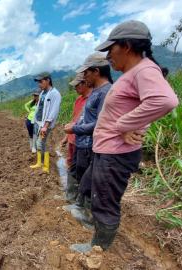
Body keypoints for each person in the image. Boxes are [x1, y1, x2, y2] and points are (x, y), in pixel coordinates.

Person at [71, 21, 178, 253]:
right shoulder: (133, 73)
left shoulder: (144, 69)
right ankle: (92, 227)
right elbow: (140, 104)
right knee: (91, 186)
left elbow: (165, 100)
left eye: (111, 49)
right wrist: (133, 122)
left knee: (106, 202)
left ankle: (98, 249)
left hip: (115, 153)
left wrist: (125, 124)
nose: (108, 55)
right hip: (107, 150)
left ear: (127, 46)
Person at [62, 53, 113, 231]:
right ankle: (80, 206)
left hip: (91, 144)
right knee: (83, 177)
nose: (84, 77)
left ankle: (89, 216)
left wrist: (75, 129)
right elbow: (87, 118)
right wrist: (75, 124)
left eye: (86, 73)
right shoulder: (97, 92)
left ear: (96, 71)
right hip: (83, 143)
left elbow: (100, 123)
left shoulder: (106, 93)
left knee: (89, 181)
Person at [58, 73, 92, 192]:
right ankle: (70, 189)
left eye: (77, 85)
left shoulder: (92, 99)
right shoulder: (79, 99)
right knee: (71, 164)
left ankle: (78, 194)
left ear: (85, 83)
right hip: (73, 138)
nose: (75, 88)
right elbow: (74, 120)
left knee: (80, 167)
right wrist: (66, 138)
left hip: (84, 141)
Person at [30, 72, 62, 173]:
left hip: (45, 125)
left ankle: (46, 167)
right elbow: (39, 108)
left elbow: (53, 111)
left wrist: (46, 126)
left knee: (41, 145)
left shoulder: (55, 94)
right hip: (38, 122)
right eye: (38, 82)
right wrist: (34, 121)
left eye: (41, 82)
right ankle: (39, 163)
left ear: (48, 80)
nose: (39, 84)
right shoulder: (42, 93)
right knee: (38, 143)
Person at [25, 88, 42, 153]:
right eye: (35, 95)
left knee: (35, 134)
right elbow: (26, 105)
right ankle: (31, 146)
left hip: (36, 121)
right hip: (29, 120)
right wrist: (29, 111)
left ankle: (34, 147)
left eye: (37, 95)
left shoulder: (42, 103)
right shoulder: (33, 102)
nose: (35, 97)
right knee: (31, 134)